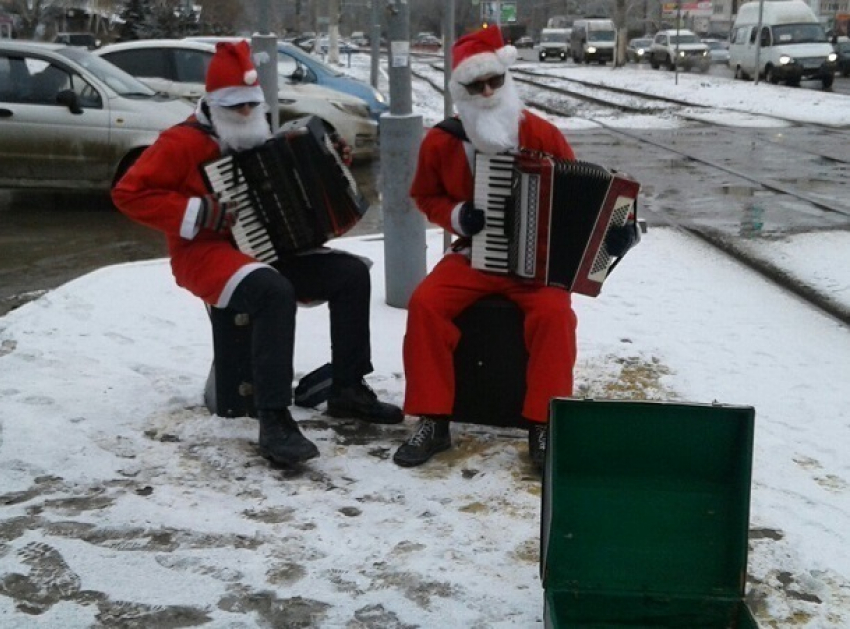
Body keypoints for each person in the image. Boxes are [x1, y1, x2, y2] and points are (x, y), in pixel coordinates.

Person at [112, 41, 403, 468]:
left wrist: (329, 162)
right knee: (272, 290)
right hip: (204, 254)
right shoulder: (180, 144)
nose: (248, 116)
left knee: (350, 273)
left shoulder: (260, 135)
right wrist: (197, 211)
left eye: (253, 106)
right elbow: (127, 193)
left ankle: (347, 387)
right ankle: (273, 419)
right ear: (215, 104)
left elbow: (298, 181)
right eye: (238, 107)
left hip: (267, 248)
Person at [393, 27, 639, 472]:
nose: (487, 92)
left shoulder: (542, 133)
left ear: (507, 80)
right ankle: (434, 419)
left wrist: (617, 233)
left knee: (555, 315)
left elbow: (590, 196)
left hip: (537, 264)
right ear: (460, 91)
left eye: (495, 82)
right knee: (425, 304)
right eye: (475, 85)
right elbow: (425, 196)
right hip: (474, 254)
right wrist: (457, 215)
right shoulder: (442, 141)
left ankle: (543, 424)